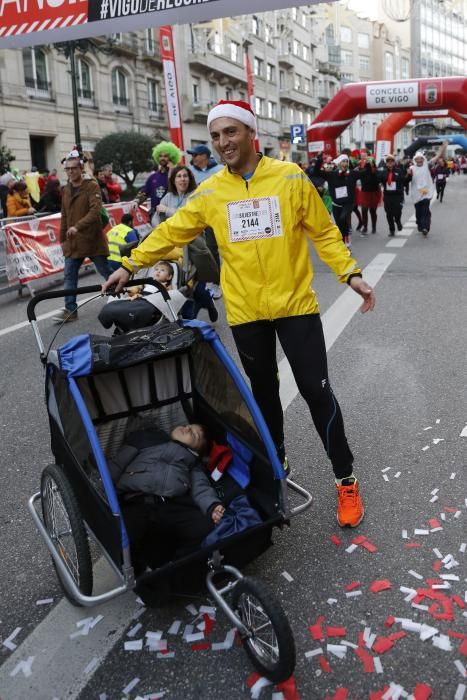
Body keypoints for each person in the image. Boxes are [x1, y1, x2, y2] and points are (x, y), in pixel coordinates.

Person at [103, 99, 376, 528]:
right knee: (263, 395)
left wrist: (351, 274)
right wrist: (128, 264)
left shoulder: (289, 177)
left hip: (295, 307)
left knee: (316, 392)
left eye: (230, 132)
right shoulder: (211, 191)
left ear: (252, 134)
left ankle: (345, 479)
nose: (222, 142)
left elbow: (324, 231)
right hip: (247, 313)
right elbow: (172, 230)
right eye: (215, 136)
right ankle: (276, 462)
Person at [111, 423, 225, 573]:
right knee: (129, 535)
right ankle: (140, 571)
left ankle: (173, 564)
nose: (188, 428)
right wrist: (101, 492)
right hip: (136, 500)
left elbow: (201, 488)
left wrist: (212, 507)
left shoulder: (192, 463)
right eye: (187, 425)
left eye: (196, 435)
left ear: (197, 451)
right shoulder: (146, 442)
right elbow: (116, 466)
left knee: (205, 526)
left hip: (169, 506)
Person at [153, 164, 219, 323]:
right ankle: (197, 313)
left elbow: (188, 218)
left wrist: (167, 210)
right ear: (173, 180)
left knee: (196, 287)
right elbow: (156, 219)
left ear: (189, 179)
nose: (182, 179)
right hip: (174, 250)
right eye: (179, 176)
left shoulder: (195, 195)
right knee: (181, 285)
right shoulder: (168, 197)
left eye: (185, 176)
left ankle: (199, 313)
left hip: (195, 248)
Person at [53, 149, 111, 323]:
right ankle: (71, 310)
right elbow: (64, 214)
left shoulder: (91, 185)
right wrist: (62, 238)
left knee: (105, 271)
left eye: (74, 168)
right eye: (68, 169)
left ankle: (126, 293)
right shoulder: (66, 189)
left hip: (92, 239)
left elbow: (95, 212)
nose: (71, 171)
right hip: (73, 242)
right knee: (69, 275)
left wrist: (77, 227)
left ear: (80, 168)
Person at [187, 144, 223, 299]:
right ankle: (212, 281)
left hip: (220, 215)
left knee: (224, 249)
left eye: (195, 155)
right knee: (207, 250)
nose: (193, 158)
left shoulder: (220, 170)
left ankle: (222, 281)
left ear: (205, 156)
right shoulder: (190, 172)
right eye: (192, 155)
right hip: (199, 218)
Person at [313, 153, 359, 248]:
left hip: (348, 203)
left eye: (346, 161)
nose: (345, 163)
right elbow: (316, 172)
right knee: (339, 225)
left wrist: (368, 164)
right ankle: (344, 243)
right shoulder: (331, 175)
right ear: (339, 163)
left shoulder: (352, 174)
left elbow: (367, 173)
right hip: (336, 204)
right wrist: (320, 159)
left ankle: (346, 241)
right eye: (343, 161)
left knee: (343, 219)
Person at [140, 142, 182, 216]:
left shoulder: (178, 176)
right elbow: (144, 192)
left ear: (171, 158)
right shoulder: (153, 177)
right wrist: (135, 201)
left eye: (165, 156)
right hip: (156, 215)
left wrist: (171, 173)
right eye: (160, 156)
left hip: (172, 214)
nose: (162, 158)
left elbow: (175, 191)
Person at [377, 154, 406, 237]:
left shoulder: (399, 171)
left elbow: (404, 180)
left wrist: (409, 175)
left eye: (391, 161)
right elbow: (378, 179)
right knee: (388, 213)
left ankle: (398, 221)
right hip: (388, 196)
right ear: (386, 163)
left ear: (394, 162)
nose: (390, 163)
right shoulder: (383, 172)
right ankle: (392, 229)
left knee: (398, 211)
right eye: (388, 162)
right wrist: (378, 170)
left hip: (398, 195)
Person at [357, 154, 381, 235]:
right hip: (365, 193)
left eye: (369, 161)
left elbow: (378, 179)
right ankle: (365, 227)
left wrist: (373, 169)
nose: (368, 162)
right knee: (364, 210)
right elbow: (357, 174)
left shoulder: (376, 171)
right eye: (367, 161)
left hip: (374, 192)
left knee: (372, 211)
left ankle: (374, 227)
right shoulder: (362, 170)